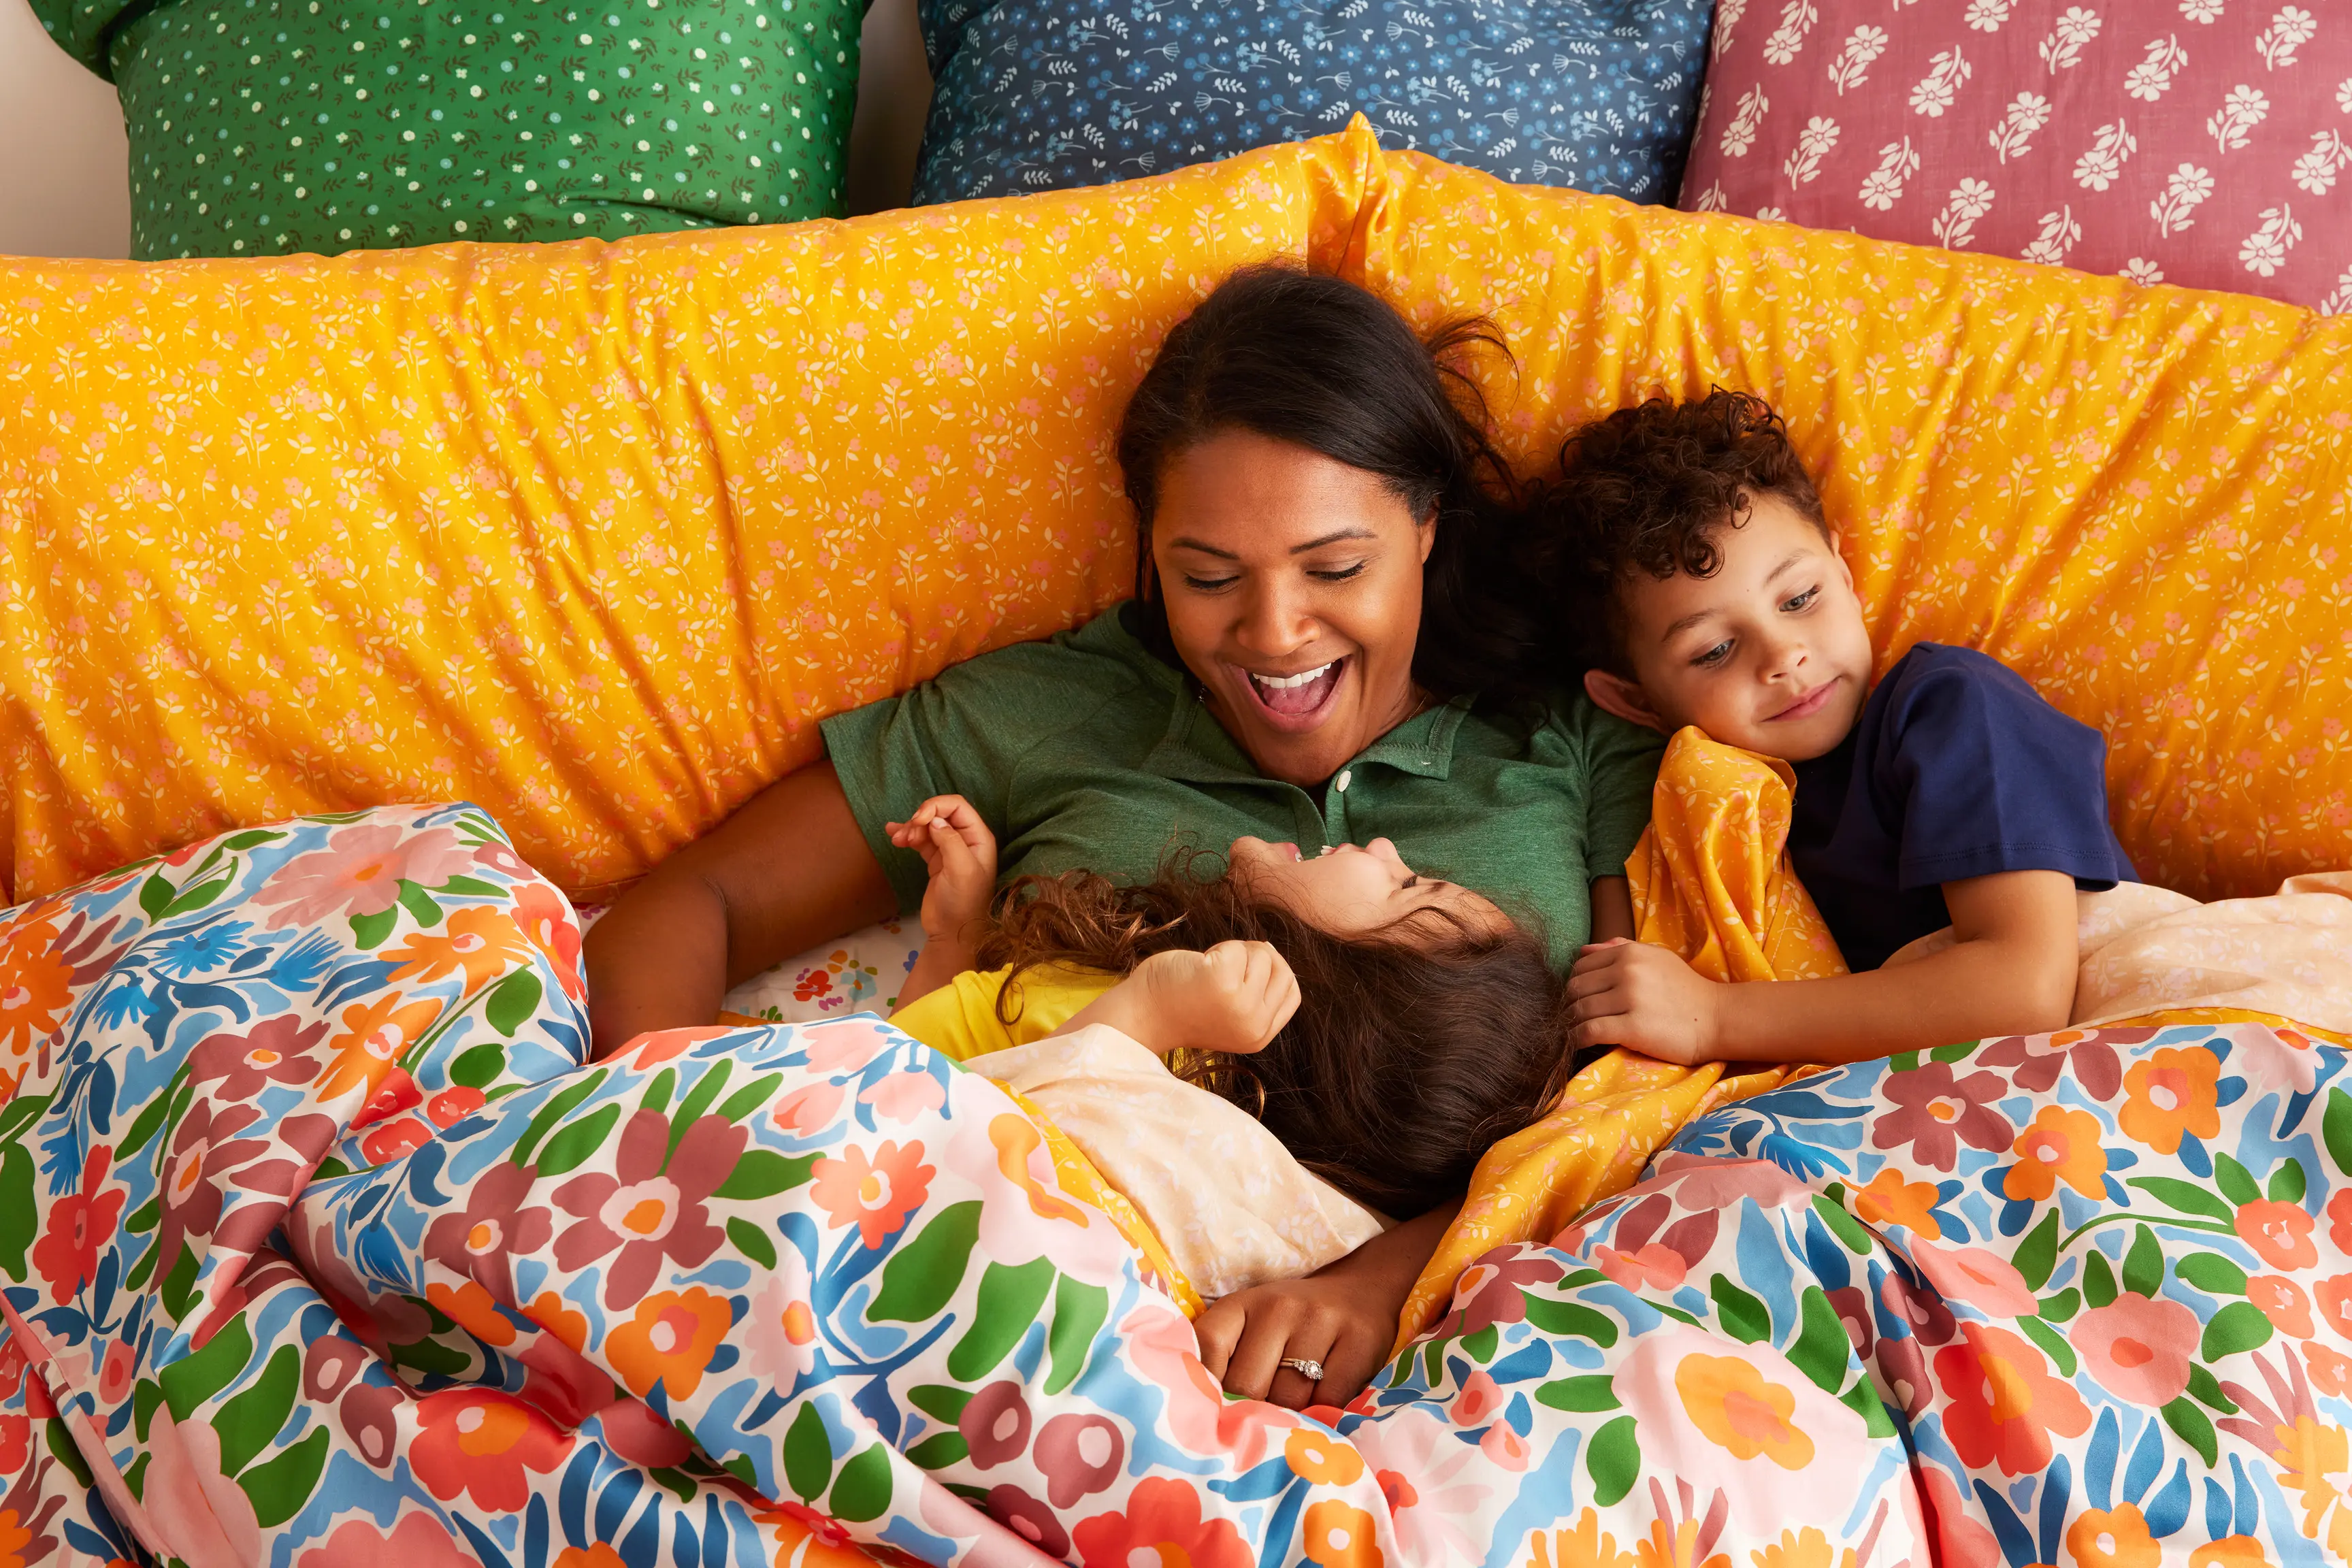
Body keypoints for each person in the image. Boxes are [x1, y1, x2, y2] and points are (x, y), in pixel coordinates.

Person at [584, 263, 1665, 1407]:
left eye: (1335, 566)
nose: (1274, 631)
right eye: (1207, 576)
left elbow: (1646, 1084)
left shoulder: (1578, 730)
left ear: (1427, 525)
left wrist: (1376, 1279)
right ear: (1149, 551)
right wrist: (689, 1186)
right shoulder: (1055, 713)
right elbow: (692, 905)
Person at [1539, 389, 2136, 1066]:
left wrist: (1712, 1018)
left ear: (1844, 573)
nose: (1783, 656)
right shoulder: (1712, 806)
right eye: (1713, 650)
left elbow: (2023, 992)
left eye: (1800, 599)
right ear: (1634, 701)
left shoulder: (1949, 709)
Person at [881, 793, 1574, 1300]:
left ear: (1354, 996)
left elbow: (987, 1167)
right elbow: (903, 1074)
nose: (1387, 849)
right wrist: (954, 942)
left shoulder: (1182, 1095)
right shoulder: (1161, 968)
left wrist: (1145, 1016)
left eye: (1407, 885)